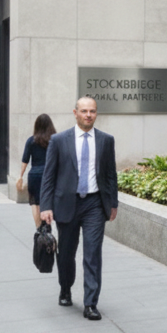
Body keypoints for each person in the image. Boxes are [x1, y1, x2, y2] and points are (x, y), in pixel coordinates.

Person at [41, 97, 117, 321]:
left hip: (94, 204)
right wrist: (45, 206)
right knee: (65, 254)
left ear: (96, 113)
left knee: (93, 254)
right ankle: (65, 288)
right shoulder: (59, 140)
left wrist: (113, 203)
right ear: (75, 113)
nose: (88, 115)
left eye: (92, 111)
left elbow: (111, 175)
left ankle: (91, 303)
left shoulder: (106, 140)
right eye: (84, 111)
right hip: (67, 203)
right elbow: (49, 176)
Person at [17, 114, 56, 228]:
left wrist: (20, 175)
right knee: (48, 202)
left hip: (34, 175)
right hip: (49, 175)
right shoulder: (54, 140)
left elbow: (25, 160)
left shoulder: (31, 140)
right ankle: (47, 227)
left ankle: (39, 229)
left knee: (35, 204)